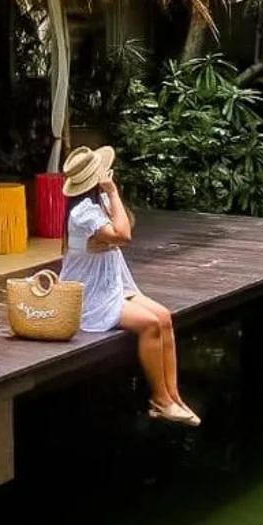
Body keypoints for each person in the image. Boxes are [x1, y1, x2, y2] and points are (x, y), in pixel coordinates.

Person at [59, 145, 199, 426]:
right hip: (90, 294)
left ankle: (173, 397)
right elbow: (123, 235)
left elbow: (128, 221)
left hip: (113, 284)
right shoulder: (83, 212)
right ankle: (159, 399)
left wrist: (112, 198)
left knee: (165, 318)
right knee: (149, 324)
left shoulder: (99, 203)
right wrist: (112, 192)